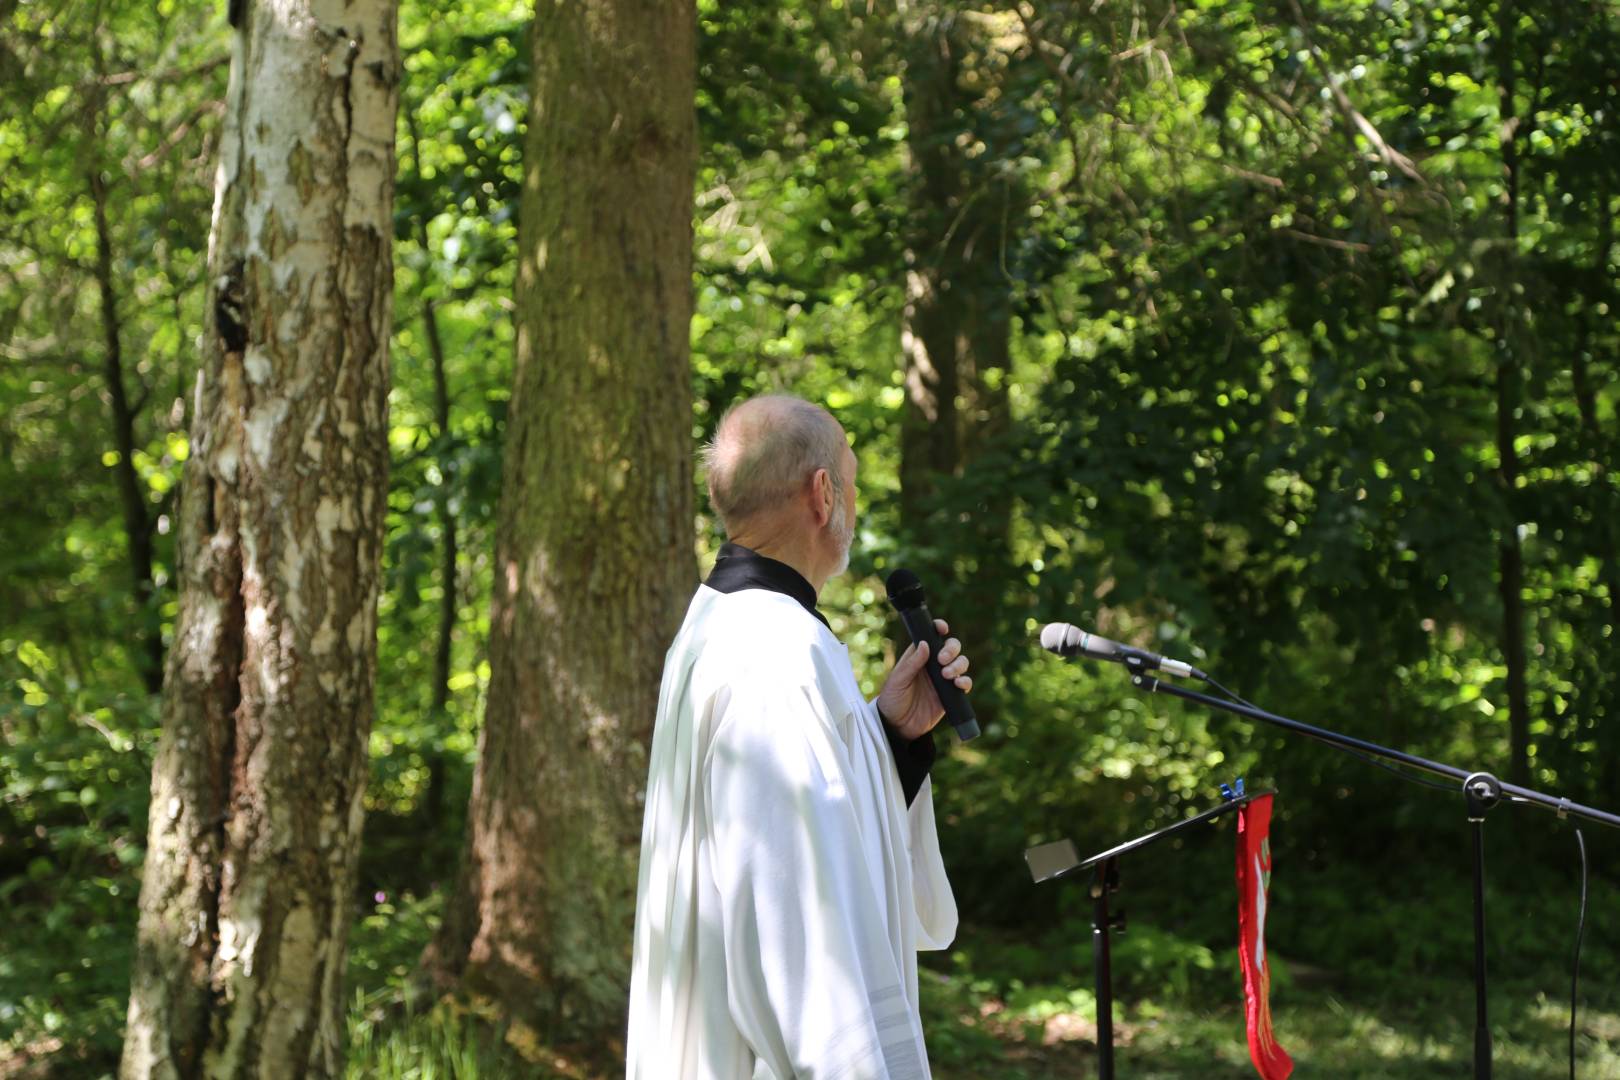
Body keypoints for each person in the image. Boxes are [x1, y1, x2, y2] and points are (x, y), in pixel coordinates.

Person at [627, 394, 972, 1079]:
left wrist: (894, 738)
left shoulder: (727, 625)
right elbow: (799, 930)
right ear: (823, 494)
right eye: (850, 476)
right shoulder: (775, 654)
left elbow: (818, 831)